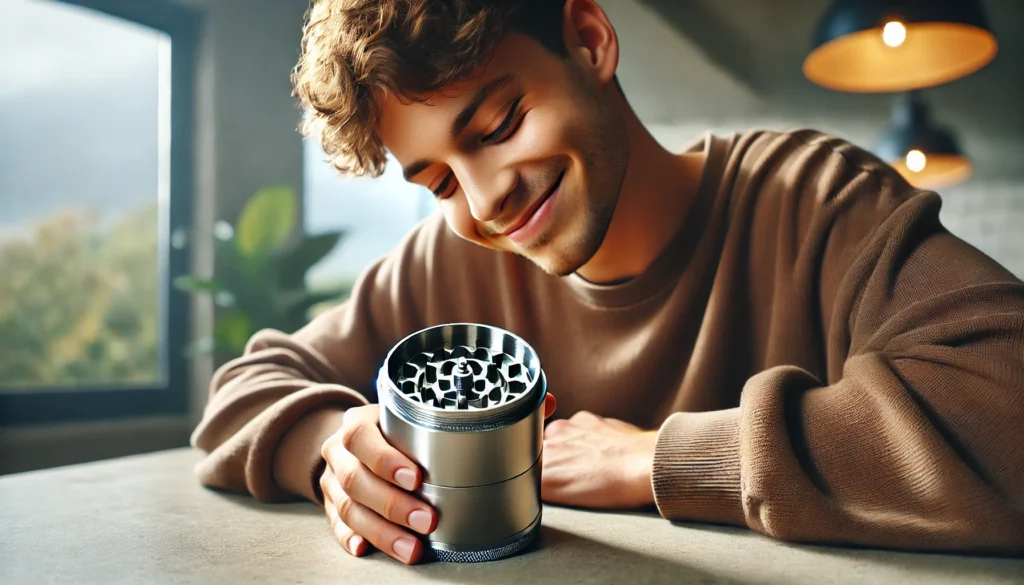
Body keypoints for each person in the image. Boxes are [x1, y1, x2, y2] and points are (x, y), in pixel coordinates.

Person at [189, 0, 1024, 565]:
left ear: (589, 40)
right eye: (438, 182)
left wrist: (660, 457)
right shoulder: (451, 262)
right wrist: (332, 445)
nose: (484, 200)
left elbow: (1005, 404)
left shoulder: (813, 200)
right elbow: (242, 393)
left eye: (497, 124)